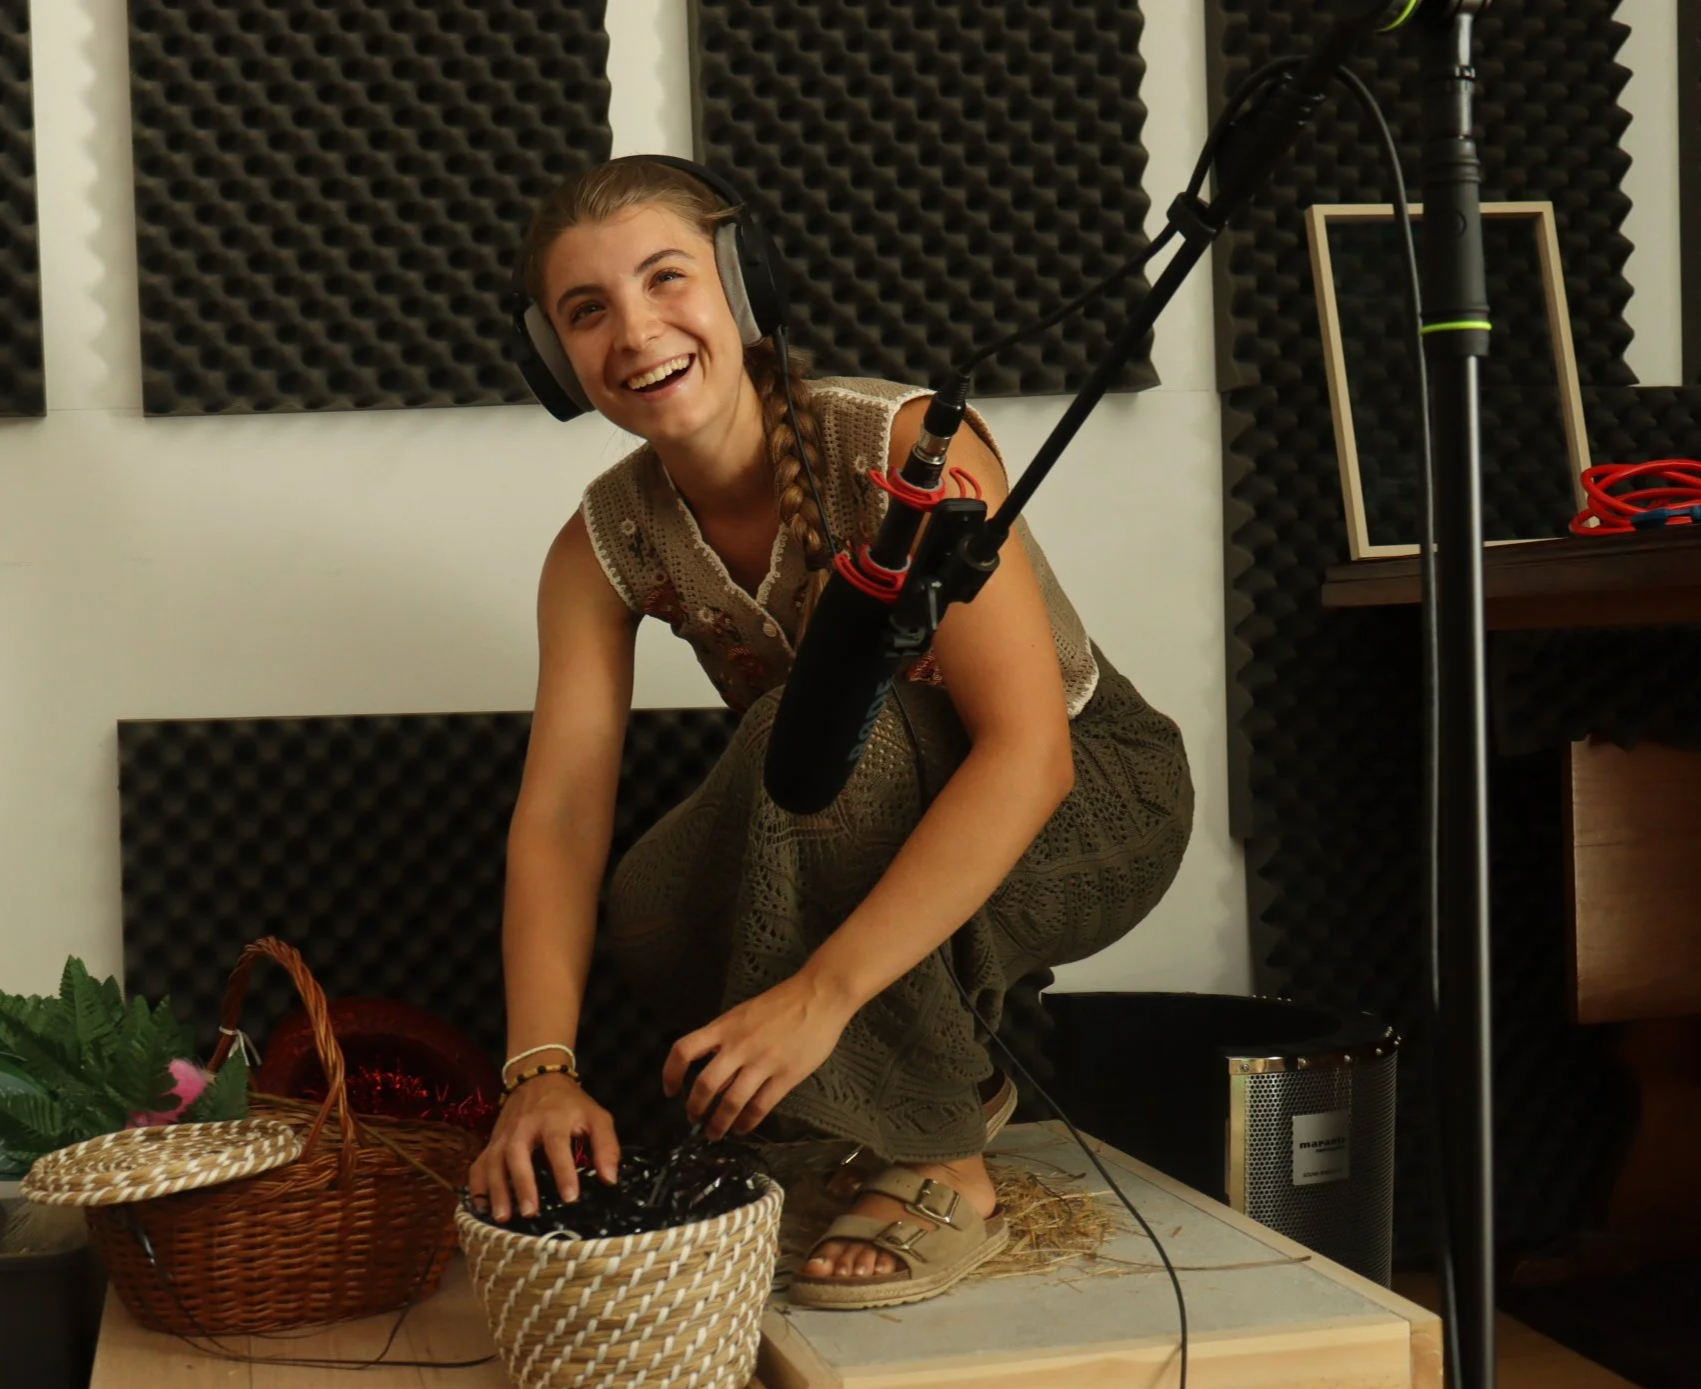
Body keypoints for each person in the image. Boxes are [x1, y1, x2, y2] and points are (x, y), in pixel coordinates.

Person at [465, 155, 1194, 1310]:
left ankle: (940, 1146)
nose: (634, 330)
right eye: (585, 311)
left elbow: (1029, 752)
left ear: (743, 290)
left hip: (1088, 796)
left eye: (666, 280)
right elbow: (559, 815)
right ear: (554, 359)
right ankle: (885, 1085)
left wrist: (819, 998)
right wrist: (536, 1072)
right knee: (657, 903)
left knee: (807, 749)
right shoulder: (600, 544)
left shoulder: (904, 448)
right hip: (844, 797)